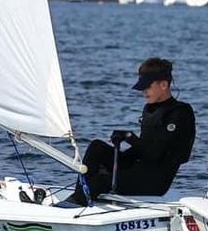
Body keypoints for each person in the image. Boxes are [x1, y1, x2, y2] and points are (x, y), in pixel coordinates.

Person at [62, 57, 195, 205]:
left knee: (102, 180)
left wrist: (129, 137)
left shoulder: (179, 113)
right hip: (138, 168)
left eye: (147, 87)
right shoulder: (150, 109)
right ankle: (80, 194)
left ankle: (78, 201)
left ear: (163, 85)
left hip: (154, 181)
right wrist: (121, 148)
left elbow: (155, 154)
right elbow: (143, 148)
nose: (143, 92)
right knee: (97, 147)